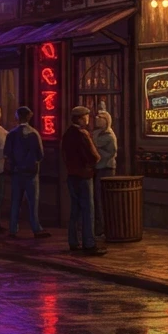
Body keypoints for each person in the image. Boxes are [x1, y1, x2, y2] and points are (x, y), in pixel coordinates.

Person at [61, 106, 104, 255]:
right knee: (88, 210)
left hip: (71, 175)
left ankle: (73, 241)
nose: (88, 119)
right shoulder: (82, 134)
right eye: (86, 117)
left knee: (75, 210)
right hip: (84, 175)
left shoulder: (67, 134)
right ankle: (89, 243)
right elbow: (94, 156)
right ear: (80, 118)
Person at [3, 106, 50, 239]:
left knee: (15, 201)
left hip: (17, 172)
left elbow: (6, 153)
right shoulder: (34, 133)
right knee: (33, 202)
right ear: (29, 117)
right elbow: (40, 154)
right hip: (31, 173)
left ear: (17, 117)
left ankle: (13, 228)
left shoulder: (11, 134)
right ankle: (36, 227)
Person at [91, 109, 118, 238]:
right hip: (97, 168)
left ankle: (103, 226)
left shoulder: (109, 136)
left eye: (100, 117)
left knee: (102, 198)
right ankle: (99, 225)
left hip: (105, 169)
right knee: (97, 198)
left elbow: (107, 152)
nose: (97, 119)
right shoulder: (96, 133)